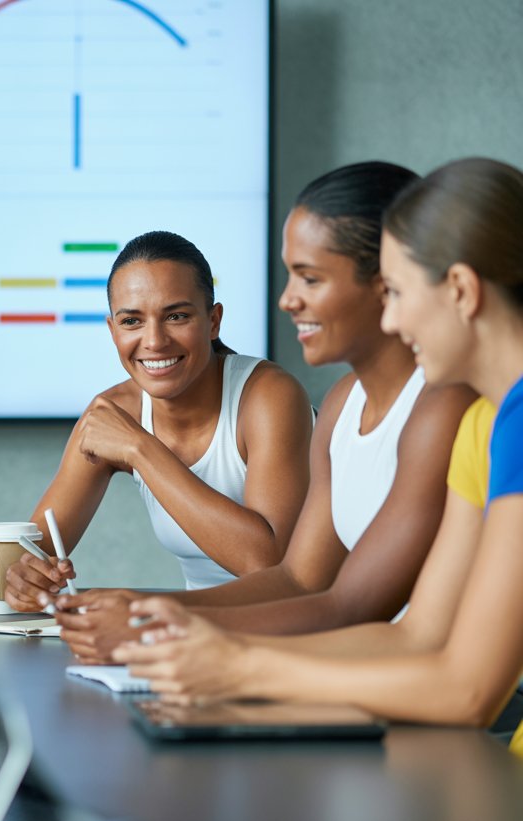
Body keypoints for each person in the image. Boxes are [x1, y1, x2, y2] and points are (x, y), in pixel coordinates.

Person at [114, 158, 523, 730]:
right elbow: (413, 636)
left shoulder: (473, 414)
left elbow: (466, 686)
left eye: (398, 291)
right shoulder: (490, 422)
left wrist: (241, 669)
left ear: (458, 289)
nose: (393, 315)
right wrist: (195, 644)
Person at [46, 162, 476, 659]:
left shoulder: (443, 406)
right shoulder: (340, 404)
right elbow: (299, 583)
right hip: (350, 671)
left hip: (400, 688)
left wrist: (150, 621)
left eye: (309, 279)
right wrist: (135, 610)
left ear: (386, 281)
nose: (287, 300)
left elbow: (344, 604)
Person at [4, 231, 312, 608]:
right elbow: (33, 551)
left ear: (213, 322)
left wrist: (140, 449)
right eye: (132, 321)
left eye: (176, 316)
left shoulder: (268, 397)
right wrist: (24, 577)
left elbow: (271, 565)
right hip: (194, 633)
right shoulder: (114, 412)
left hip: (306, 631)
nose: (154, 341)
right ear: (112, 330)